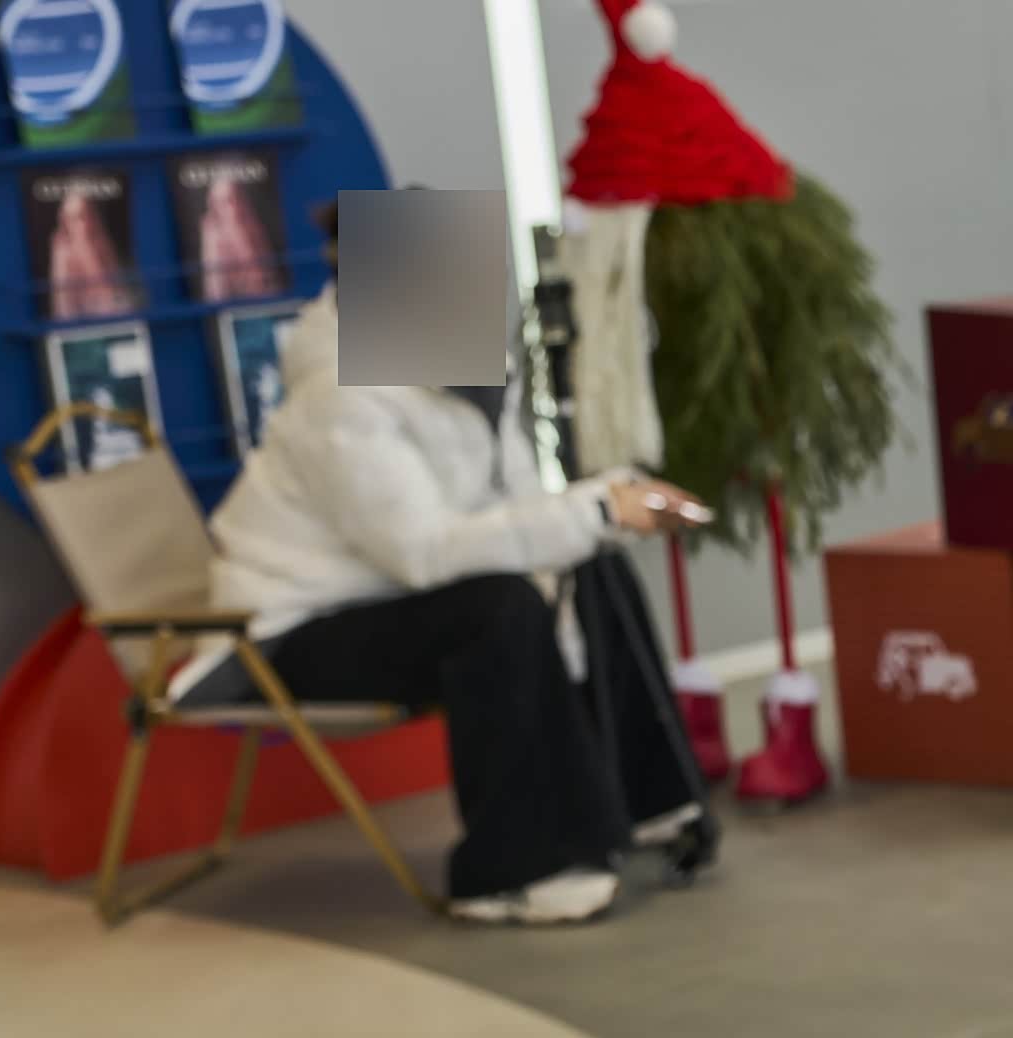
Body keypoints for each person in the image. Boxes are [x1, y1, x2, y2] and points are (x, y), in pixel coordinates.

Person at [200, 291, 705, 924]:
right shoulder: (338, 395)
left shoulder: (469, 373)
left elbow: (517, 506)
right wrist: (595, 511)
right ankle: (512, 871)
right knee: (495, 609)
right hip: (288, 634)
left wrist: (611, 504)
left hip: (391, 599)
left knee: (594, 564)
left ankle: (647, 798)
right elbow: (421, 553)